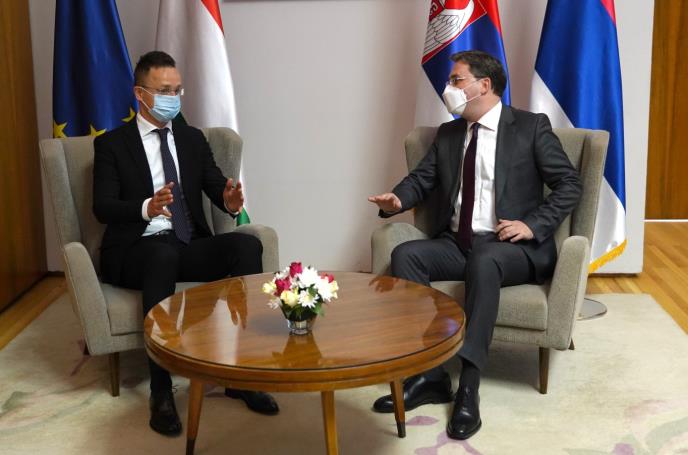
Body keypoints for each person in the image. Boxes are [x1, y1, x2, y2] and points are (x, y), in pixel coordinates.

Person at [368, 50, 582, 440]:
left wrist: (532, 225)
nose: (448, 87)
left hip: (512, 248)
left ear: (484, 85)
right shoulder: (449, 134)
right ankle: (430, 375)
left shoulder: (530, 127)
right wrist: (397, 200)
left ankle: (469, 383)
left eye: (456, 80)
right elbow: (422, 178)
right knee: (406, 255)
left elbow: (570, 184)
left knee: (485, 259)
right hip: (458, 243)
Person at [93, 51, 279, 437]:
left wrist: (229, 200)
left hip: (186, 243)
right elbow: (102, 206)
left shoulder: (192, 139)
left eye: (177, 90)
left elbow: (216, 185)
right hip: (135, 249)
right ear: (140, 94)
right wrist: (147, 206)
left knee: (246, 247)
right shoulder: (112, 145)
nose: (173, 98)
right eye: (164, 91)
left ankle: (241, 374)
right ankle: (160, 391)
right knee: (160, 255)